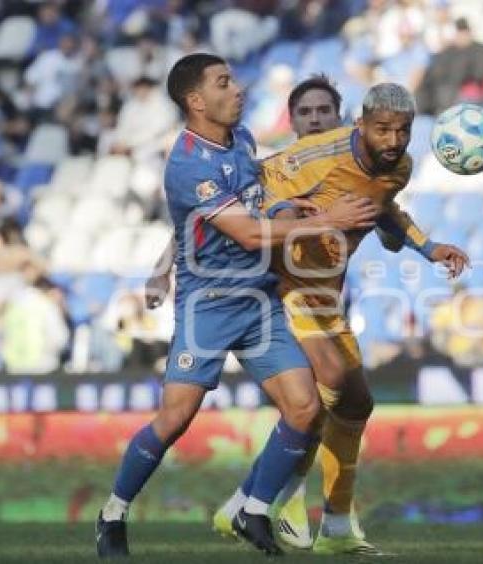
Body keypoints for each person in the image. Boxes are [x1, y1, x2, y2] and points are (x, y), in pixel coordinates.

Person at [95, 53, 378, 558]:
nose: (238, 88)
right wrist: (324, 220)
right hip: (209, 306)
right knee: (175, 419)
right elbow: (246, 233)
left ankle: (253, 509)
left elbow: (248, 208)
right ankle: (113, 513)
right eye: (224, 82)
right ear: (196, 101)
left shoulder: (243, 140)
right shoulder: (187, 164)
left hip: (260, 303)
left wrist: (299, 207)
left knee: (305, 407)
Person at [217, 82, 469, 555]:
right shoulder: (311, 157)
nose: (393, 140)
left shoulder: (400, 167)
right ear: (360, 125)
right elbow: (253, 195)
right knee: (322, 388)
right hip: (283, 284)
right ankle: (256, 506)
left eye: (403, 131)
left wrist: (429, 247)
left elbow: (384, 209)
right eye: (383, 130)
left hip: (327, 294)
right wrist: (308, 214)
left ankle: (332, 526)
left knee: (355, 405)